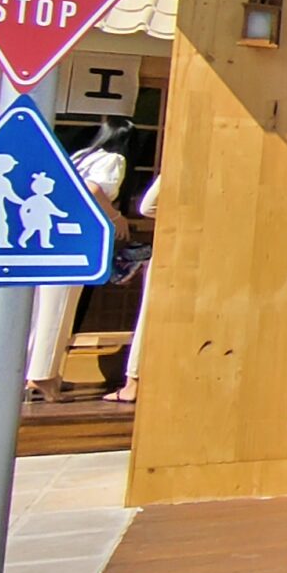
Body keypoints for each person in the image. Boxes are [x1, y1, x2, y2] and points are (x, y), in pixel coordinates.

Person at [25, 119, 131, 402]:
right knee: (59, 309)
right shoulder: (113, 159)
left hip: (49, 235)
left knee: (40, 308)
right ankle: (43, 377)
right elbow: (94, 189)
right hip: (76, 238)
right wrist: (116, 216)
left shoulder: (81, 156)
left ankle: (35, 371)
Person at [106, 171, 159, 405]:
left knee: (151, 315)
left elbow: (148, 206)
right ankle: (134, 381)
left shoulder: (186, 162)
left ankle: (134, 382)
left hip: (180, 247)